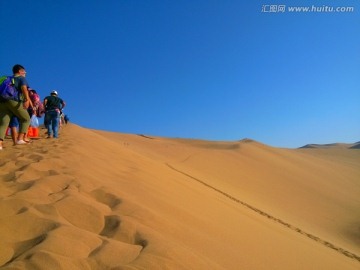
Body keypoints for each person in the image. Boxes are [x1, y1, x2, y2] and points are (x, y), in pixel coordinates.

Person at [0, 64, 32, 150]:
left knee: (4, 123)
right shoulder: (21, 78)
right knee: (26, 119)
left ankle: (0, 144)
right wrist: (27, 100)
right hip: (13, 100)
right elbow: (24, 88)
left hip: (2, 102)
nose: (25, 73)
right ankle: (20, 139)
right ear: (20, 71)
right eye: (24, 71)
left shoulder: (5, 78)